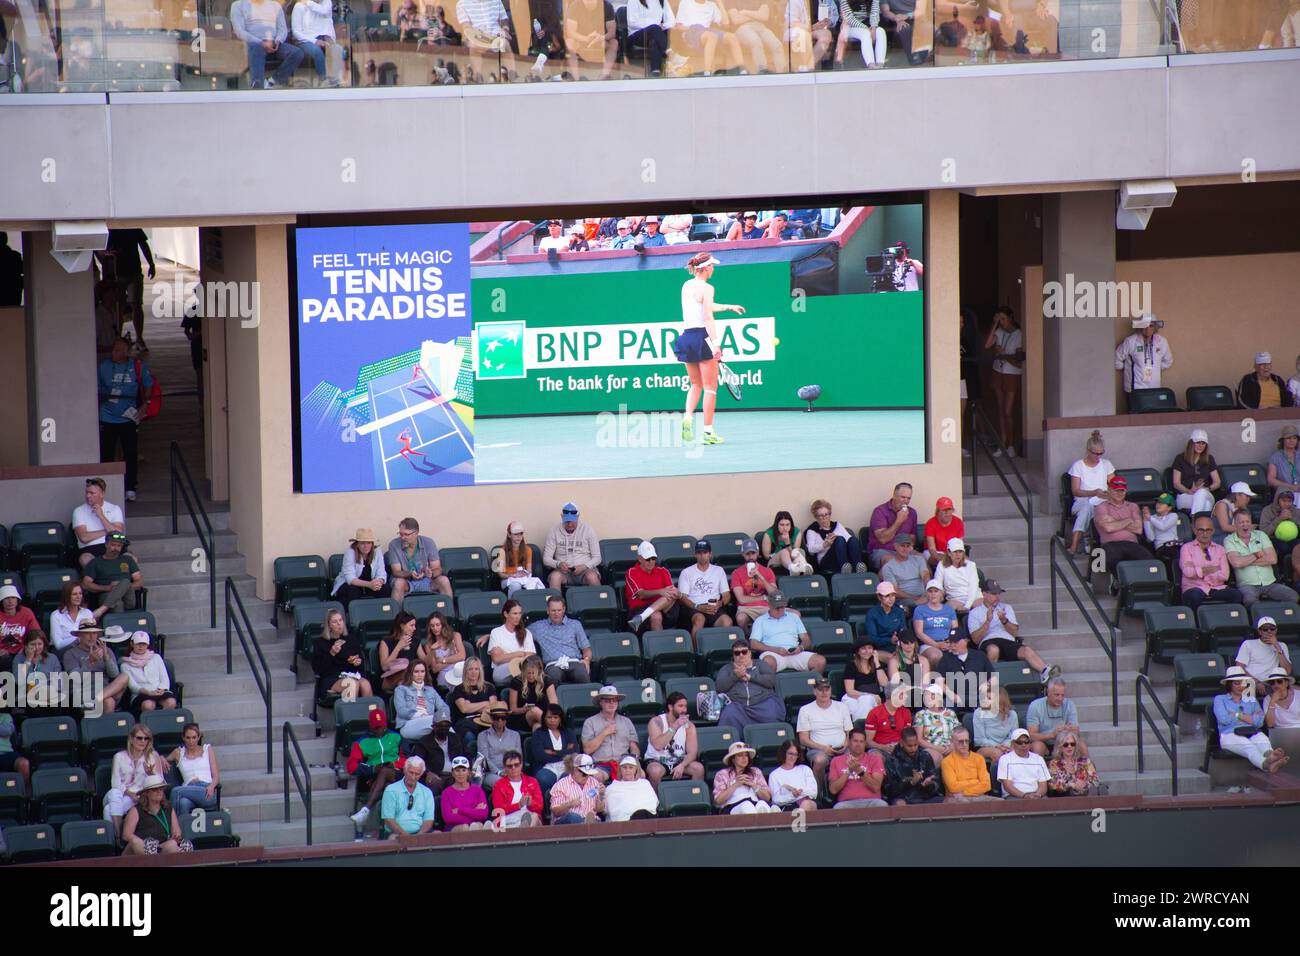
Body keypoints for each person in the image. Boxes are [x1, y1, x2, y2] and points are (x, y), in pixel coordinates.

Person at [674, 253, 744, 446]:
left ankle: (687, 417)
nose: (713, 269)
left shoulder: (687, 285)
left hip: (686, 337)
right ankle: (708, 432)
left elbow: (705, 306)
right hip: (702, 337)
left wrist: (728, 307)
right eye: (712, 266)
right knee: (710, 388)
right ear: (705, 268)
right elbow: (707, 317)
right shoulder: (707, 287)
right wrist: (716, 344)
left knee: (695, 384)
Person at [965, 581, 1057, 682]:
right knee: (993, 650)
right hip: (988, 641)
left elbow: (1015, 633)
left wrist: (1004, 620)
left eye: (999, 593)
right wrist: (987, 621)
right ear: (984, 594)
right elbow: (975, 639)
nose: (997, 596)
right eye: (994, 594)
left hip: (1007, 640)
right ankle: (989, 681)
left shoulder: (1007, 608)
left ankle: (1046, 672)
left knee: (1026, 650)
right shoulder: (975, 612)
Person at [1214, 665, 1288, 772]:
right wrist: (1249, 718)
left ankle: (1271, 756)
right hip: (1229, 734)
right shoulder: (1220, 699)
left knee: (1262, 739)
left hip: (1251, 731)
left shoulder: (1251, 699)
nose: (1241, 686)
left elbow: (1260, 721)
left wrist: (1237, 715)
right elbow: (1224, 719)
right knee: (1248, 746)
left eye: (1243, 682)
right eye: (1237, 683)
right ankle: (1266, 764)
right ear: (1229, 685)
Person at [1225, 507, 1299, 612]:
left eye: (1247, 521)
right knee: (1250, 601)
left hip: (1270, 583)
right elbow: (1236, 563)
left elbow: (1273, 559)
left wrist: (1245, 560)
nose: (1245, 525)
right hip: (1247, 585)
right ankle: (1262, 625)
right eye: (1241, 522)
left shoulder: (1261, 535)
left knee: (1293, 597)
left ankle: (1278, 620)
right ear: (1235, 524)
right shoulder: (1229, 540)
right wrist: (1256, 555)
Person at [97, 230, 155, 352]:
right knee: (120, 306)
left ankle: (138, 338)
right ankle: (118, 337)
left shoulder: (131, 227)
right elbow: (99, 250)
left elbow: (143, 244)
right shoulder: (111, 229)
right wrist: (109, 255)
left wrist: (151, 264)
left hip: (132, 271)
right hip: (118, 273)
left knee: (135, 305)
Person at [347, 709, 406, 829]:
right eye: (376, 727)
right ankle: (386, 829)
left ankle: (366, 809)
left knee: (385, 771)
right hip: (374, 778)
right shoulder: (362, 742)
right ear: (370, 725)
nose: (379, 730)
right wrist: (373, 769)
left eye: (381, 727)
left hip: (398, 774)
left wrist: (394, 764)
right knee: (387, 786)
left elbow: (407, 758)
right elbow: (351, 766)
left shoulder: (396, 737)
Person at [104, 723, 166, 838]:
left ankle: (113, 840)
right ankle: (119, 834)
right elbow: (115, 782)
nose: (143, 741)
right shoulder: (119, 756)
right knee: (114, 793)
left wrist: (150, 774)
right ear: (131, 739)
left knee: (108, 810)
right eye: (139, 738)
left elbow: (160, 782)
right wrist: (129, 793)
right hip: (121, 793)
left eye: (146, 738)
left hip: (138, 796)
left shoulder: (152, 756)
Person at [230, 0, 305, 87]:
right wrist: (261, 42)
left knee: (297, 53)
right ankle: (258, 85)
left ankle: (273, 82)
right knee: (256, 47)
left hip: (273, 44)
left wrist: (278, 41)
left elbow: (282, 30)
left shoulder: (275, 6)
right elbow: (239, 31)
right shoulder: (238, 5)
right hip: (251, 44)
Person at [715, 641, 786, 730]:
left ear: (750, 653)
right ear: (733, 656)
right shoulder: (727, 668)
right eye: (737, 653)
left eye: (744, 652)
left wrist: (751, 677)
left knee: (772, 713)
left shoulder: (760, 664)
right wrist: (735, 676)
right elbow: (720, 687)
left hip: (762, 702)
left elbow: (770, 681)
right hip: (738, 705)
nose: (741, 655)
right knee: (729, 715)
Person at [796, 675, 852, 788]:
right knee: (820, 760)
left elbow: (849, 732)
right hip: (818, 750)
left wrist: (845, 744)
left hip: (842, 748)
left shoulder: (842, 707)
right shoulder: (805, 710)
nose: (824, 692)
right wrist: (823, 748)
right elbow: (803, 739)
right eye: (820, 689)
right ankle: (820, 794)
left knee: (853, 759)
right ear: (814, 691)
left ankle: (850, 792)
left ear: (831, 690)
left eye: (827, 689)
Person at [1178, 516, 1243, 612]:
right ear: (1195, 531)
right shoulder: (1186, 548)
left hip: (1216, 588)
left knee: (1236, 595)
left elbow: (1224, 576)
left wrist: (1198, 570)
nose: (1205, 534)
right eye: (1201, 530)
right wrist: (1213, 569)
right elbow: (1188, 572)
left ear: (1212, 531)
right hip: (1194, 587)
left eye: (1208, 530)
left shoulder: (1220, 549)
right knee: (1194, 596)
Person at [1066, 430, 1116, 555]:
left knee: (1097, 508)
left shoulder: (1106, 464)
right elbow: (1076, 491)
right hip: (1083, 500)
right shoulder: (1078, 466)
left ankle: (1080, 541)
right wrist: (1094, 492)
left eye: (1101, 453)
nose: (1099, 456)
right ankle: (1079, 541)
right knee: (1087, 508)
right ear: (1089, 451)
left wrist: (1107, 494)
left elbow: (1114, 484)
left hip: (1103, 499)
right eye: (1096, 453)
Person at [982, 305, 1023, 456]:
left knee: (1008, 411)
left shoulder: (1018, 334)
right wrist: (994, 324)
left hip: (1012, 374)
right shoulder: (999, 331)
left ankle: (1010, 444)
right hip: (998, 371)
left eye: (1004, 319)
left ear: (1011, 318)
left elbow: (1019, 362)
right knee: (1000, 410)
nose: (1002, 322)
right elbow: (986, 345)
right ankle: (1002, 444)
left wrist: (1003, 353)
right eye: (1000, 319)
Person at [749, 591, 822, 672]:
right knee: (768, 662)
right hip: (773, 654)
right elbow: (753, 644)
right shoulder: (760, 620)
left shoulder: (794, 617)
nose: (780, 610)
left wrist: (801, 648)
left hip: (795, 653)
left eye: (782, 607)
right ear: (769, 605)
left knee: (820, 661)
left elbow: (806, 639)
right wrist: (775, 650)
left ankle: (808, 684)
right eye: (777, 608)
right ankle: (773, 684)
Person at [62, 625, 130, 713]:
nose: (92, 636)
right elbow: (75, 679)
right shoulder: (70, 653)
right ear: (79, 635)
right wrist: (90, 663)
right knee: (109, 702)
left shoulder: (106, 650)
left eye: (94, 633)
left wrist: (106, 658)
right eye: (87, 633)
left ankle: (96, 699)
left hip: (106, 690)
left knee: (124, 676)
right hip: (84, 693)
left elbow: (114, 675)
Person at [644, 691, 705, 787]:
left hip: (678, 760)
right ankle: (656, 801)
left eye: (685, 706)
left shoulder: (689, 726)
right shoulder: (656, 721)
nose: (684, 710)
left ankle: (693, 800)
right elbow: (658, 745)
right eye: (680, 706)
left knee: (699, 768)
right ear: (670, 707)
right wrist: (675, 726)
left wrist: (682, 765)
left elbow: (692, 753)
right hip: (657, 759)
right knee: (655, 771)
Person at [121, 775, 193, 855]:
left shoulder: (168, 809)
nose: (159, 792)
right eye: (155, 790)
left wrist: (176, 837)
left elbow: (177, 832)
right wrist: (146, 845)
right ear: (146, 793)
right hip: (139, 848)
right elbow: (126, 835)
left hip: (161, 847)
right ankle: (149, 855)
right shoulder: (136, 810)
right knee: (134, 841)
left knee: (172, 844)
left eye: (161, 789)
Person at [386, 518, 452, 602]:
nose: (403, 537)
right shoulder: (394, 544)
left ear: (416, 533)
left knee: (444, 580)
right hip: (406, 581)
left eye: (406, 534)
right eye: (400, 534)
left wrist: (430, 573)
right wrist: (410, 574)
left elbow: (438, 569)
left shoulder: (428, 542)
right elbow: (396, 572)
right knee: (398, 583)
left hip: (426, 580)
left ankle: (448, 613)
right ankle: (398, 615)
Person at [581, 685, 640, 780]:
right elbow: (587, 749)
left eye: (614, 700)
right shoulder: (590, 722)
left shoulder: (626, 721)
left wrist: (634, 761)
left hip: (623, 763)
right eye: (607, 700)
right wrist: (604, 733)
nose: (611, 703)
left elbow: (634, 747)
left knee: (642, 775)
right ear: (600, 702)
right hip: (601, 764)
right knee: (595, 777)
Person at [1115, 314, 1174, 407]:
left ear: (1155, 327)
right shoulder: (1130, 341)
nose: (1148, 328)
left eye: (1151, 325)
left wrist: (1155, 368)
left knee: (1152, 416)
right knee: (1136, 417)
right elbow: (1117, 359)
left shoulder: (1161, 341)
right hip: (1134, 388)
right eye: (1145, 325)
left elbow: (1168, 361)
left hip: (1154, 388)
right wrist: (1127, 368)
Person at [530, 596, 592, 684]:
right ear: (548, 610)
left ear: (563, 610)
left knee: (581, 672)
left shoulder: (575, 625)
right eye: (553, 610)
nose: (556, 613)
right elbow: (520, 633)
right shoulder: (538, 627)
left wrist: (586, 660)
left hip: (573, 661)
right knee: (552, 676)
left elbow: (586, 649)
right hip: (553, 664)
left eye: (559, 610)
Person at [1094, 475, 1153, 569]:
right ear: (1109, 490)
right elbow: (1108, 528)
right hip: (1111, 544)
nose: (1119, 493)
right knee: (1113, 561)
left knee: (1150, 562)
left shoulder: (1133, 506)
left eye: (1122, 490)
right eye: (1116, 490)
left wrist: (1114, 521)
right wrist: (1129, 520)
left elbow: (1138, 529)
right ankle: (1118, 583)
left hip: (1132, 543)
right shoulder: (1101, 507)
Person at [314, 608, 373, 700]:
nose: (339, 624)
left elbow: (360, 663)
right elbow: (319, 669)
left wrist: (358, 662)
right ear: (329, 625)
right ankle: (351, 713)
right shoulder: (321, 643)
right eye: (334, 622)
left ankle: (368, 713)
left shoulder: (351, 639)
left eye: (340, 620)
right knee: (352, 683)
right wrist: (332, 653)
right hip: (332, 678)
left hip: (351, 674)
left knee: (366, 684)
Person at [678, 540, 734, 637]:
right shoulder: (686, 572)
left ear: (710, 554)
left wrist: (719, 604)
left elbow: (726, 595)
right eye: (699, 553)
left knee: (727, 622)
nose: (702, 555)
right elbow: (683, 598)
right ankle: (696, 651)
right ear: (695, 554)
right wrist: (698, 607)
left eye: (705, 552)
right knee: (699, 620)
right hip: (694, 607)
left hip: (714, 606)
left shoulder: (719, 570)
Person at [626, 541, 683, 633]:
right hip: (639, 609)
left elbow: (671, 592)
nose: (651, 562)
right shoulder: (632, 572)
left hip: (665, 609)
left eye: (653, 558)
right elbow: (641, 594)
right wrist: (660, 591)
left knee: (672, 593)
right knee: (656, 615)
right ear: (639, 558)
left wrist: (675, 593)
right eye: (647, 559)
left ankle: (641, 618)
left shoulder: (662, 571)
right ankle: (660, 646)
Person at [166, 723, 220, 821]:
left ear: (199, 737)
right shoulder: (178, 752)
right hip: (187, 789)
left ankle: (172, 829)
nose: (191, 741)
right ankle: (183, 834)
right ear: (183, 738)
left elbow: (216, 776)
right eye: (188, 738)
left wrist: (212, 787)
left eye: (194, 737)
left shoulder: (207, 749)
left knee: (175, 791)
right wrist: (160, 758)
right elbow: (163, 762)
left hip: (205, 790)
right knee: (183, 803)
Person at [672, 0, 743, 75]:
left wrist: (720, 3)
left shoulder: (711, 5)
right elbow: (678, 26)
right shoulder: (685, 2)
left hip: (706, 31)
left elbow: (725, 23)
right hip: (690, 30)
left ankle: (742, 69)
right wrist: (693, 28)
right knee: (711, 36)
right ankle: (707, 72)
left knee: (732, 37)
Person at [81, 531, 144, 614]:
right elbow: (86, 584)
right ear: (106, 544)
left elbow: (139, 581)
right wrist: (107, 588)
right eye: (113, 545)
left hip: (128, 597)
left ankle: (102, 609)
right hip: (106, 594)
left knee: (125, 581)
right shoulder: (95, 562)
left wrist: (122, 587)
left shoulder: (128, 560)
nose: (116, 548)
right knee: (117, 604)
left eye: (119, 546)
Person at [542, 502, 602, 588]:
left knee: (592, 577)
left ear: (577, 517)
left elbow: (597, 558)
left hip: (585, 571)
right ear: (562, 517)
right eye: (567, 521)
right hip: (563, 572)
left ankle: (597, 601)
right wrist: (558, 564)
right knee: (555, 577)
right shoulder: (554, 531)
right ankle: (556, 601)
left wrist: (584, 566)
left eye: (572, 521)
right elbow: (546, 559)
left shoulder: (588, 530)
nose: (570, 524)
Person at [72, 477, 127, 570]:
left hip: (114, 546)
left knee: (130, 558)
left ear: (102, 494)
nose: (88, 496)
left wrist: (101, 516)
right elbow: (84, 538)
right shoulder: (79, 511)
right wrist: (108, 531)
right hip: (90, 548)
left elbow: (119, 534)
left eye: (92, 493)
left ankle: (128, 582)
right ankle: (100, 583)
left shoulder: (115, 509)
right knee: (85, 559)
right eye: (87, 492)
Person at [528, 703, 581, 796]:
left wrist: (553, 752)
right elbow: (539, 755)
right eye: (549, 717)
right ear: (544, 718)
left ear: (560, 718)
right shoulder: (538, 733)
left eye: (555, 717)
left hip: (567, 765)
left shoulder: (568, 732)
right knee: (544, 778)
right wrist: (565, 752)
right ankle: (546, 807)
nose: (552, 720)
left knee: (570, 777)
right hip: (546, 766)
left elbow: (574, 752)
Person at [1026, 678, 1086, 758]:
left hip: (1065, 741)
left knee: (1082, 745)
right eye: (1057, 695)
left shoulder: (1070, 705)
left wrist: (1068, 730)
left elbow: (1076, 731)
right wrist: (1052, 735)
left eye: (1062, 695)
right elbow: (1032, 735)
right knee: (1037, 747)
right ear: (1048, 692)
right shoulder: (1035, 706)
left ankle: (1087, 769)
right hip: (1043, 742)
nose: (1060, 699)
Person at [829, 728, 887, 808]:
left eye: (861, 741)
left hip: (872, 801)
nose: (858, 744)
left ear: (865, 744)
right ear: (849, 742)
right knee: (838, 808)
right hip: (846, 802)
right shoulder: (836, 761)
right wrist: (849, 771)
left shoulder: (875, 759)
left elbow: (876, 787)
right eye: (855, 741)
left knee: (882, 805)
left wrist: (859, 771)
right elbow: (833, 790)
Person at [380, 755, 436, 838]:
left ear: (421, 774)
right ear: (405, 770)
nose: (413, 777)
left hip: (420, 833)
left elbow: (428, 819)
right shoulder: (391, 790)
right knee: (392, 838)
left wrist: (419, 835)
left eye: (417, 774)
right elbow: (389, 819)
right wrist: (406, 836)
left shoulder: (427, 792)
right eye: (411, 772)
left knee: (437, 835)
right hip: (396, 833)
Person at [291, 0, 345, 86]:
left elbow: (327, 21)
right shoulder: (299, 6)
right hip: (305, 40)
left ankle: (334, 82)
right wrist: (315, 41)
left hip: (324, 38)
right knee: (317, 52)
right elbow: (296, 32)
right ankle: (324, 81)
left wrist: (330, 39)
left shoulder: (327, 3)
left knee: (338, 49)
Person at [882, 727, 942, 805]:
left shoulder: (925, 756)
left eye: (915, 745)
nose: (913, 749)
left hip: (925, 797)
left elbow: (936, 783)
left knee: (948, 801)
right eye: (909, 746)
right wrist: (910, 783)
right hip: (903, 798)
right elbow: (888, 789)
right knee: (900, 804)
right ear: (901, 743)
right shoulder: (892, 760)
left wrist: (930, 784)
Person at [407, 717, 466, 796]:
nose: (444, 729)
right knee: (434, 781)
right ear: (434, 727)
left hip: (454, 773)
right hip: (435, 774)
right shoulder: (424, 742)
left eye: (446, 726)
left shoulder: (455, 738)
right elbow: (418, 762)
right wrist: (428, 772)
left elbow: (464, 756)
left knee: (459, 780)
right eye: (441, 726)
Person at [713, 741, 776, 813]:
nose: (744, 758)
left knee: (762, 804)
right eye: (740, 755)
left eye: (746, 755)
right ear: (733, 759)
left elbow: (767, 798)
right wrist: (736, 784)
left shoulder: (756, 771)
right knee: (746, 805)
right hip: (732, 807)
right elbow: (718, 800)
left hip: (754, 802)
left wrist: (753, 785)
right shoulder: (722, 774)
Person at [121, 632, 177, 714]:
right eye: (138, 643)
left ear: (147, 645)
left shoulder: (156, 657)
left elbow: (164, 678)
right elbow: (133, 686)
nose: (141, 646)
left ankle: (163, 722)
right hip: (141, 693)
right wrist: (148, 692)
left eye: (144, 644)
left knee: (171, 702)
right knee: (148, 705)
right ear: (132, 644)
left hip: (159, 690)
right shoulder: (125, 665)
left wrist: (161, 690)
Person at [807, 498, 867, 575]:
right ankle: (844, 568)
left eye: (826, 514)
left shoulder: (837, 525)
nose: (824, 517)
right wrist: (824, 544)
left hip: (844, 557)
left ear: (830, 514)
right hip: (826, 561)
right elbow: (810, 550)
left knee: (853, 539)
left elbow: (849, 541)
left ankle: (858, 567)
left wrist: (835, 537)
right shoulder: (812, 530)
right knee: (839, 539)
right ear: (816, 517)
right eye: (821, 515)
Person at [394, 661, 451, 740]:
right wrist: (418, 715)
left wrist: (442, 716)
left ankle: (454, 751)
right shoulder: (401, 689)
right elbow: (401, 710)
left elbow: (444, 707)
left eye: (422, 671)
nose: (419, 675)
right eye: (416, 672)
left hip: (429, 722)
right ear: (410, 673)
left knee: (444, 726)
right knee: (438, 723)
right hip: (408, 724)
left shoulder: (431, 690)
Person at [730, 538, 779, 631]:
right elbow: (741, 599)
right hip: (747, 608)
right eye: (747, 554)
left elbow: (774, 594)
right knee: (741, 619)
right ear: (743, 555)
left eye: (753, 553)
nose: (750, 556)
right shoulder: (736, 573)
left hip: (766, 606)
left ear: (757, 553)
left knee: (794, 614)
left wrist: (760, 576)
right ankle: (748, 640)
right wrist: (763, 598)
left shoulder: (767, 571)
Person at [1235, 616, 1293, 694]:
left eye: (1272, 629)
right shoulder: (1248, 644)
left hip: (1272, 683)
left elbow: (1287, 671)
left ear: (1276, 630)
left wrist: (1277, 647)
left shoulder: (1282, 646)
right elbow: (1239, 667)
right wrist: (1255, 682)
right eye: (1265, 629)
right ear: (1259, 631)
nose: (1269, 631)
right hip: (1250, 682)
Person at [484, 599, 536, 685]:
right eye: (514, 613)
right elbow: (497, 659)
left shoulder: (526, 632)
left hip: (523, 668)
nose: (518, 617)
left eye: (520, 613)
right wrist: (520, 653)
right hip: (501, 671)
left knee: (527, 668)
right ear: (506, 614)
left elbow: (531, 655)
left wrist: (505, 655)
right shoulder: (496, 632)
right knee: (522, 668)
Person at [447, 657, 497, 746]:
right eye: (470, 669)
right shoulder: (459, 689)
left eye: (476, 669)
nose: (474, 672)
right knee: (469, 737)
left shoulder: (490, 687)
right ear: (466, 671)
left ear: (480, 671)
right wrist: (485, 704)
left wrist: (471, 706)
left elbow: (493, 708)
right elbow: (464, 709)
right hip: (465, 723)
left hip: (485, 720)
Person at [867, 484, 919, 570]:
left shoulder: (912, 513)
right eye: (903, 497)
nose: (906, 501)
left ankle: (929, 584)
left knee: (921, 559)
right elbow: (883, 539)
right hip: (883, 551)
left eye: (908, 498)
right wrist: (899, 521)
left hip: (905, 550)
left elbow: (913, 538)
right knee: (892, 562)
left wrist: (905, 547)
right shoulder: (880, 511)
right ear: (894, 495)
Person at [332, 529, 389, 605]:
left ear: (372, 544)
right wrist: (369, 585)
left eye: (368, 543)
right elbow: (350, 579)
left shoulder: (377, 551)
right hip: (351, 584)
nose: (366, 546)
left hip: (370, 584)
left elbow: (381, 573)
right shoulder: (350, 553)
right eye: (362, 543)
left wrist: (378, 583)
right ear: (357, 544)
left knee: (385, 588)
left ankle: (381, 614)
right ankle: (352, 615)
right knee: (352, 590)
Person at [728, 0, 787, 74]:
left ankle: (781, 73)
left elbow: (764, 16)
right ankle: (762, 71)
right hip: (742, 28)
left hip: (760, 26)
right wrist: (757, 15)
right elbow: (736, 20)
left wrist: (745, 12)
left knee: (776, 44)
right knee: (755, 41)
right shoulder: (731, 1)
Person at [941, 726, 999, 802]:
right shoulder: (947, 762)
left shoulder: (979, 758)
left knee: (1000, 802)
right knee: (965, 803)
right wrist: (975, 782)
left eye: (967, 741)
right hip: (955, 799)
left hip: (977, 796)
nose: (964, 744)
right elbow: (953, 787)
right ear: (952, 742)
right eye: (960, 741)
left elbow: (986, 785)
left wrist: (965, 792)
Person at [1171, 430, 1220, 516]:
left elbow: (1217, 482)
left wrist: (1208, 489)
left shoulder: (1209, 458)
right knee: (1206, 505)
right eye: (1197, 442)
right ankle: (1200, 524)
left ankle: (1194, 519)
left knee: (1201, 493)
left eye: (1203, 443)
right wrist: (1189, 491)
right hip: (1185, 495)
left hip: (1205, 493)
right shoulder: (1180, 458)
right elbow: (1176, 483)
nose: (1200, 446)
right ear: (1191, 443)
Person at [564, 0, 617, 78]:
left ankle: (604, 75)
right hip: (580, 39)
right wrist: (586, 39)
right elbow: (570, 32)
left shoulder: (607, 6)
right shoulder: (574, 6)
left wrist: (601, 37)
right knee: (569, 43)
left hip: (600, 39)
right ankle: (576, 77)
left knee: (614, 43)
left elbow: (612, 32)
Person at [549, 753, 606, 824]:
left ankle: (586, 825)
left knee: (597, 821)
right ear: (575, 770)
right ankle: (586, 825)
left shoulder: (594, 782)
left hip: (590, 818)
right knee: (573, 817)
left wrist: (601, 796)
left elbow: (598, 809)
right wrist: (570, 804)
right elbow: (555, 812)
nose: (586, 776)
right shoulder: (561, 785)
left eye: (588, 774)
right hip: (566, 822)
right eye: (584, 773)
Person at [490, 751, 543, 828]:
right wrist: (519, 805)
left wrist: (531, 803)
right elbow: (498, 811)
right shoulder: (499, 785)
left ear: (521, 765)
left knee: (534, 817)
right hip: (507, 820)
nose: (513, 768)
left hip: (529, 816)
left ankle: (522, 834)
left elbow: (540, 807)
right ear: (504, 768)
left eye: (516, 765)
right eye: (510, 766)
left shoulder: (532, 781)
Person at [912, 580, 958, 665]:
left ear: (941, 593)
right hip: (928, 645)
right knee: (935, 655)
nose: (933, 594)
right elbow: (919, 633)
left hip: (947, 643)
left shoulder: (949, 610)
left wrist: (949, 642)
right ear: (926, 594)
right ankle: (934, 677)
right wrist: (936, 645)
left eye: (936, 591)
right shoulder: (920, 609)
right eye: (930, 591)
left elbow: (955, 630)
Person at [417, 612, 465, 691]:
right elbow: (435, 668)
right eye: (432, 626)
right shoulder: (429, 645)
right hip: (444, 674)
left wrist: (443, 660)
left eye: (437, 625)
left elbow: (462, 656)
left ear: (443, 625)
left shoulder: (455, 636)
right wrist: (454, 658)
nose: (435, 628)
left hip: (459, 669)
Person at [507, 655, 556, 733]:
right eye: (528, 673)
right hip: (522, 718)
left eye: (533, 673)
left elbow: (554, 706)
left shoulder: (547, 681)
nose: (531, 676)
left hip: (544, 717)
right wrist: (523, 709)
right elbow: (513, 709)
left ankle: (546, 743)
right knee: (534, 711)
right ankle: (556, 730)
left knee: (537, 727)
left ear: (539, 671)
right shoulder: (516, 682)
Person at [626, 0, 676, 75]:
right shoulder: (633, 1)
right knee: (655, 29)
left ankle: (655, 71)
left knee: (654, 41)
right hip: (636, 34)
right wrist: (653, 26)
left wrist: (663, 26)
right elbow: (632, 22)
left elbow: (672, 21)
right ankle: (669, 52)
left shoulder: (662, 1)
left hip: (656, 34)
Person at [861, 580, 907, 662]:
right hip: (879, 649)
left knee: (917, 660)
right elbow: (872, 638)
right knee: (895, 660)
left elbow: (904, 631)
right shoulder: (872, 613)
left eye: (893, 595)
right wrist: (890, 640)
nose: (891, 599)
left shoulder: (899, 611)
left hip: (898, 647)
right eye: (887, 596)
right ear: (879, 597)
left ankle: (916, 675)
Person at [1046, 730, 1102, 797]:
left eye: (1072, 744)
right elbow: (1052, 785)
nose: (1069, 747)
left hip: (1085, 796)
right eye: (1065, 744)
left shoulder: (1086, 762)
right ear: (1060, 747)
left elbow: (1095, 780)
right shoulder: (1053, 764)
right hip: (1064, 798)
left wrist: (1084, 784)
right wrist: (1071, 785)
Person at [997, 729, 1050, 799]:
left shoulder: (1039, 759)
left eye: (1026, 742)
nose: (1023, 745)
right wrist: (1024, 796)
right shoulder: (1005, 759)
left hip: (1037, 796)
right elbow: (1007, 786)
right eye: (1019, 742)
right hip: (1014, 796)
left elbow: (1043, 785)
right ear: (1012, 744)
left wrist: (1038, 795)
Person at [440, 756, 490, 830]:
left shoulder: (478, 790)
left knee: (479, 825)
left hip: (476, 825)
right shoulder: (446, 793)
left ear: (468, 772)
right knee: (466, 827)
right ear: (453, 773)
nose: (460, 773)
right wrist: (474, 811)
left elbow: (483, 814)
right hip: (454, 827)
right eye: (457, 770)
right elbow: (448, 818)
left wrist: (460, 810)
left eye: (463, 770)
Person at [0, 586, 44, 670]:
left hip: (24, 650)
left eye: (13, 598)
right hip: (3, 654)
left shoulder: (26, 612)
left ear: (17, 600)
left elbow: (36, 634)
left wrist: (25, 648)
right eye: (6, 598)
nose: (10, 601)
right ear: (1, 601)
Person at [50, 581, 101, 652]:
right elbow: (58, 645)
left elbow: (92, 636)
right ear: (67, 596)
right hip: (64, 652)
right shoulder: (56, 615)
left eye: (80, 593)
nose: (78, 597)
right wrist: (79, 638)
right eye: (74, 594)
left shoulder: (87, 613)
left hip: (85, 650)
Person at [973, 684, 1019, 763]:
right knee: (997, 754)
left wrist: (1005, 746)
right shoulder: (978, 713)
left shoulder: (1012, 715)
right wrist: (997, 746)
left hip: (1007, 746)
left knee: (1014, 752)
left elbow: (1014, 736)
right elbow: (979, 740)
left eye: (989, 699)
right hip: (984, 747)